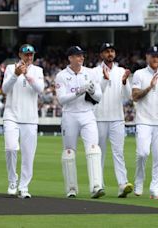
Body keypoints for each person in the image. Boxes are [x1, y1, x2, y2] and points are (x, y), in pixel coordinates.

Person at [55, 46, 105, 199]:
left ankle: (96, 186)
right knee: (69, 152)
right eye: (77, 56)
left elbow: (98, 97)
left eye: (82, 55)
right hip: (70, 115)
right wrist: (78, 92)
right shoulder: (61, 76)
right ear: (70, 58)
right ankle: (71, 188)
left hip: (87, 114)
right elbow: (61, 100)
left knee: (93, 148)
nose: (81, 58)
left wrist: (90, 91)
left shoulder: (90, 73)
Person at [132, 46, 158, 199]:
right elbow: (135, 96)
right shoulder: (139, 74)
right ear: (147, 57)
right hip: (144, 119)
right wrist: (149, 87)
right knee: (143, 153)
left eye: (157, 56)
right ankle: (139, 182)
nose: (155, 58)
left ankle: (155, 189)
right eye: (152, 56)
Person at [2, 44, 44, 198]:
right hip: (11, 115)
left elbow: (40, 89)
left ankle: (24, 187)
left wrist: (26, 75)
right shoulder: (9, 68)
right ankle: (12, 181)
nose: (29, 57)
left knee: (28, 155)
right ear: (20, 55)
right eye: (26, 54)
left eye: (31, 54)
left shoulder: (38, 70)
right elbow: (5, 89)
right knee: (11, 148)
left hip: (30, 118)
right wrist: (16, 74)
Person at [93, 43, 133, 198]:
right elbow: (95, 94)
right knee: (99, 154)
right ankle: (98, 185)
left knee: (118, 153)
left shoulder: (121, 71)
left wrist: (124, 82)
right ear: (101, 54)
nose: (109, 54)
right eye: (106, 51)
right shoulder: (94, 72)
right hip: (99, 118)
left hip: (117, 118)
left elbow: (128, 96)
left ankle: (122, 184)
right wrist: (103, 80)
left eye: (111, 51)